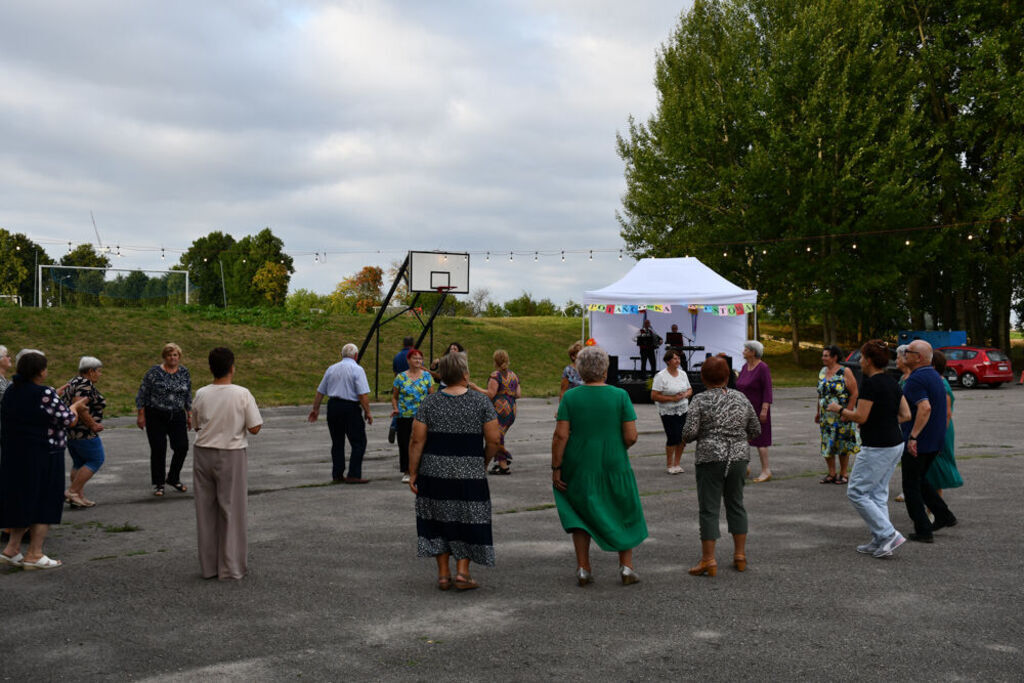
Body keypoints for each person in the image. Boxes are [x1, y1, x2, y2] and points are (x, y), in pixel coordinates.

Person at [551, 345, 647, 587]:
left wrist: (556, 467)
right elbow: (632, 436)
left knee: (579, 513)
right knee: (622, 508)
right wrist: (617, 446)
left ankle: (583, 568)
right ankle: (626, 566)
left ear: (580, 371)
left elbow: (561, 435)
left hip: (579, 462)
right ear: (605, 369)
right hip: (613, 459)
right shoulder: (620, 396)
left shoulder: (571, 397)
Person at [408, 352, 501, 591]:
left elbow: (417, 441)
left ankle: (442, 574)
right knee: (469, 518)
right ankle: (462, 572)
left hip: (434, 472)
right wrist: (484, 462)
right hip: (469, 472)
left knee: (436, 519)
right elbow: (494, 439)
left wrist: (413, 471)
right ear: (465, 373)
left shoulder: (430, 402)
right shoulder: (481, 402)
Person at [0, 350, 87, 569]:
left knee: (22, 499)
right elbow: (68, 420)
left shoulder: (11, 390)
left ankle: (12, 549)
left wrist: (53, 398)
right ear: (40, 371)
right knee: (44, 502)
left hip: (16, 454)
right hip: (44, 455)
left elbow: (34, 410)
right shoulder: (44, 393)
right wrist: (75, 407)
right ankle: (35, 554)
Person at [827, 340, 911, 558]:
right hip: (894, 443)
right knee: (877, 493)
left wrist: (839, 409)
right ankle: (881, 539)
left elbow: (861, 416)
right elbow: (905, 415)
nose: (860, 361)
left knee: (856, 491)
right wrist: (884, 421)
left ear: (870, 360)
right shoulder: (893, 381)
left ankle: (888, 533)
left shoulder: (871, 384)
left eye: (862, 357)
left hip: (877, 446)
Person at [681, 356, 761, 577]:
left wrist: (707, 433)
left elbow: (687, 434)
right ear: (727, 376)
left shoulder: (699, 400)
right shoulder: (741, 398)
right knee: (736, 504)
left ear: (703, 378)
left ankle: (708, 560)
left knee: (709, 508)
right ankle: (740, 556)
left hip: (710, 458)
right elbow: (755, 429)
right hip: (738, 458)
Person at [191, 347, 263, 580]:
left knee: (205, 509)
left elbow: (195, 423)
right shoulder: (242, 393)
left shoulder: (201, 393)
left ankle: (209, 566)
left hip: (203, 451)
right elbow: (254, 427)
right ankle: (230, 567)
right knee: (231, 509)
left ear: (211, 368)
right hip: (231, 452)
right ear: (232, 367)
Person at [900, 340, 957, 542]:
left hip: (920, 442)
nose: (905, 353)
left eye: (909, 351)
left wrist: (913, 437)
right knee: (921, 480)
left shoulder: (916, 380)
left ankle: (923, 530)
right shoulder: (933, 375)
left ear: (919, 357)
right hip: (933, 441)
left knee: (911, 485)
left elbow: (925, 408)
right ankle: (944, 515)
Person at [308, 343, 373, 484]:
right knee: (358, 442)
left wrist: (315, 409)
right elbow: (362, 394)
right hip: (350, 407)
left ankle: (337, 474)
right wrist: (368, 412)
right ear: (356, 356)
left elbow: (320, 391)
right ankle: (354, 474)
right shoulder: (357, 369)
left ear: (341, 355)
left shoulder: (331, 369)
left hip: (333, 407)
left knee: (337, 442)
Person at [136, 343, 192, 497]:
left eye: (175, 355)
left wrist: (189, 414)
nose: (172, 358)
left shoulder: (184, 372)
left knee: (182, 447)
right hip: (156, 414)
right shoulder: (154, 372)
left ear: (179, 357)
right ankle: (159, 483)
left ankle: (173, 477)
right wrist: (141, 414)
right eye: (169, 355)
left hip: (177, 414)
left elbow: (188, 394)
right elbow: (143, 393)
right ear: (164, 357)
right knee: (158, 449)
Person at [64, 357, 107, 508]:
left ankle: (78, 498)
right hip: (84, 432)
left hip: (72, 432)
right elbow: (80, 405)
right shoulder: (85, 384)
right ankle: (73, 492)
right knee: (96, 459)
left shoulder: (74, 381)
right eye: (99, 371)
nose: (100, 374)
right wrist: (93, 424)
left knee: (79, 462)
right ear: (91, 371)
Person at [815, 345, 860, 485]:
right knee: (827, 443)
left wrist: (848, 412)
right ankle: (832, 473)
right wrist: (818, 412)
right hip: (826, 416)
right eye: (823, 355)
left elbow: (854, 393)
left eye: (826, 355)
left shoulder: (844, 371)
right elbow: (820, 394)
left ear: (835, 357)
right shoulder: (822, 371)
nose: (823, 358)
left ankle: (844, 473)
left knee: (842, 444)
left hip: (841, 414)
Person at [391, 348, 434, 483]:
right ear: (408, 360)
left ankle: (421, 470)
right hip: (404, 416)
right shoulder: (401, 377)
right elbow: (394, 397)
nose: (418, 361)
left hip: (422, 416)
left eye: (420, 358)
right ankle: (407, 471)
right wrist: (395, 408)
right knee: (404, 443)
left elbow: (431, 396)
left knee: (422, 442)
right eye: (415, 358)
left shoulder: (427, 376)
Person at [925, 350, 962, 497]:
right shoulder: (936, 382)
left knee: (935, 471)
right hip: (935, 430)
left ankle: (935, 510)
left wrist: (939, 439)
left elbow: (946, 414)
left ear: (933, 366)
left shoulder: (942, 385)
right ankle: (932, 509)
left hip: (941, 431)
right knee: (930, 470)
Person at [651, 348, 693, 475]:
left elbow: (690, 390)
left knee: (682, 437)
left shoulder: (683, 374)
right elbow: (654, 396)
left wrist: (685, 394)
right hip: (667, 411)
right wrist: (672, 398)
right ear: (668, 361)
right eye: (675, 358)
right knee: (672, 436)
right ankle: (669, 464)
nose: (678, 360)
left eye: (679, 358)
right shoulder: (660, 376)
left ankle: (677, 463)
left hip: (683, 409)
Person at [736, 340, 773, 482]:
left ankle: (766, 470)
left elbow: (767, 390)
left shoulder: (763, 368)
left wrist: (764, 410)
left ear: (753, 352)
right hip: (744, 410)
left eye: (746, 349)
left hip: (759, 410)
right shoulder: (745, 367)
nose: (743, 351)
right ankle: (745, 467)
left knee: (761, 441)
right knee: (743, 439)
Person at [485, 350, 521, 475]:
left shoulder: (496, 375)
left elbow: (490, 394)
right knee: (499, 436)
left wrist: (474, 388)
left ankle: (504, 458)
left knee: (495, 436)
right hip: (512, 410)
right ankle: (502, 464)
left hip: (500, 409)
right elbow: (518, 394)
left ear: (495, 361)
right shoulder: (514, 375)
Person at [892, 345, 912, 503]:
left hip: (911, 423)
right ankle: (907, 488)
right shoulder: (902, 378)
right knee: (905, 457)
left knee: (910, 457)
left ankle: (910, 490)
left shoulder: (912, 378)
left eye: (898, 358)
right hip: (903, 425)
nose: (895, 361)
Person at [389, 336, 416, 444]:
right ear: (413, 344)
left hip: (400, 384)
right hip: (414, 385)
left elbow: (395, 372)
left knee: (400, 405)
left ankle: (394, 425)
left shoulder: (397, 356)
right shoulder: (414, 356)